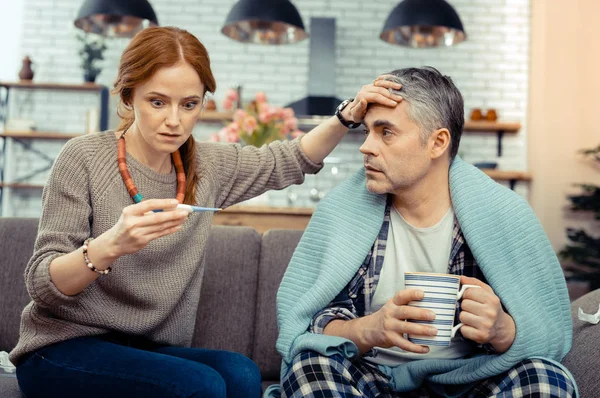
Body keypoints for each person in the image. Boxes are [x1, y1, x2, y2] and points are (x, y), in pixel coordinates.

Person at [9, 26, 402, 398]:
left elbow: (291, 159)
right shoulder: (83, 157)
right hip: (61, 348)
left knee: (241, 373)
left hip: (144, 349)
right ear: (128, 97)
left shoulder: (207, 165)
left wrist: (346, 117)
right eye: (157, 102)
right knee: (201, 385)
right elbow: (42, 285)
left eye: (189, 104)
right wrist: (110, 245)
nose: (174, 120)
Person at [269, 67, 577, 397]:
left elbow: (549, 334)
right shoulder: (343, 211)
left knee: (544, 377)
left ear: (437, 142)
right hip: (368, 375)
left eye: (386, 133)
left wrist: (503, 330)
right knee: (309, 366)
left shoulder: (504, 215)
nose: (367, 147)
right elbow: (309, 323)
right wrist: (368, 329)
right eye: (367, 132)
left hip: (468, 377)